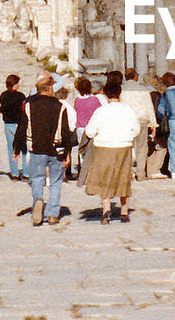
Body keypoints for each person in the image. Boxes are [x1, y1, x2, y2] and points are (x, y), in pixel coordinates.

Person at [12, 72, 74, 226]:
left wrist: (16, 148)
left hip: (36, 148)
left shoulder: (28, 106)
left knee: (38, 179)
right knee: (55, 182)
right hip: (56, 149)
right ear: (48, 89)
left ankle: (38, 201)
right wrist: (67, 152)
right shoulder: (60, 107)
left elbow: (22, 127)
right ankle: (53, 213)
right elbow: (66, 131)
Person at [81, 72, 139, 223]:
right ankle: (124, 211)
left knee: (104, 177)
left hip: (104, 147)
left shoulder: (101, 111)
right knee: (123, 177)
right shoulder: (128, 110)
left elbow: (90, 131)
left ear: (106, 95)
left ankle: (106, 209)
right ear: (120, 94)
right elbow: (136, 130)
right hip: (123, 146)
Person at [120, 68, 157, 181]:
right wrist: (153, 124)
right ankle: (140, 173)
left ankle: (128, 173)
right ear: (135, 76)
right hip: (141, 120)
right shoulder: (143, 89)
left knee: (127, 147)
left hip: (126, 121)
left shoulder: (122, 90)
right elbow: (149, 107)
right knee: (141, 147)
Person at [0, 73, 28, 181]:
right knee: (24, 149)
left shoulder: (3, 95)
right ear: (15, 84)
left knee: (11, 149)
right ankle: (26, 172)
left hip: (8, 124)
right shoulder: (21, 96)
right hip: (19, 124)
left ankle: (14, 173)